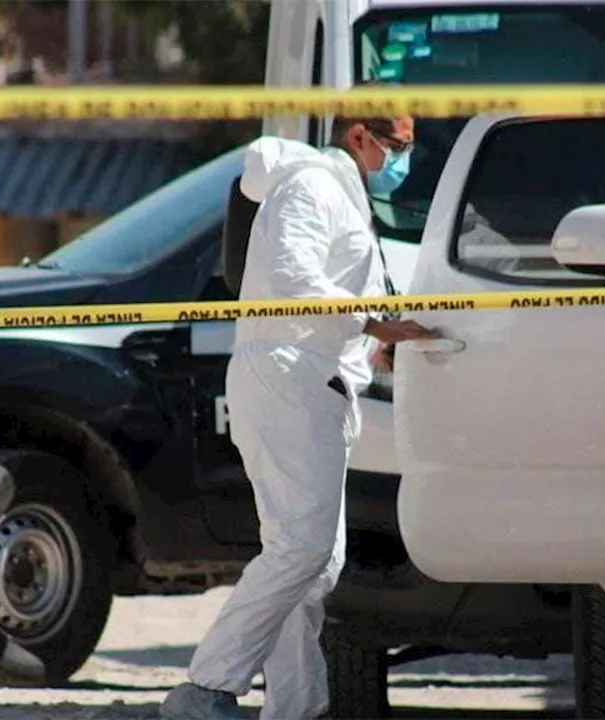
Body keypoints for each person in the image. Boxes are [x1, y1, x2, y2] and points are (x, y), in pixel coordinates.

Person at [160, 113, 440, 720]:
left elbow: (331, 295)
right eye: (397, 146)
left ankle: (296, 707)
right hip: (288, 381)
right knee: (302, 549)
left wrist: (376, 341)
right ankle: (206, 688)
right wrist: (370, 322)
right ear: (359, 135)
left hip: (312, 383)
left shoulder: (342, 196)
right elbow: (292, 278)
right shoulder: (312, 185)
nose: (401, 161)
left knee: (312, 562)